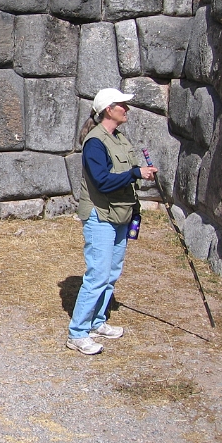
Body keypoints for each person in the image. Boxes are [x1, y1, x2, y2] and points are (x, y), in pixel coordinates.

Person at [66, 88, 158, 355]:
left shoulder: (118, 138)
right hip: (100, 216)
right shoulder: (95, 143)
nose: (126, 110)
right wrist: (135, 173)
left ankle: (97, 321)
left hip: (120, 214)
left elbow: (124, 173)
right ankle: (78, 333)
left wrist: (139, 174)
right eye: (122, 106)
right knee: (97, 275)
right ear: (109, 109)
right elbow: (102, 181)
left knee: (111, 273)